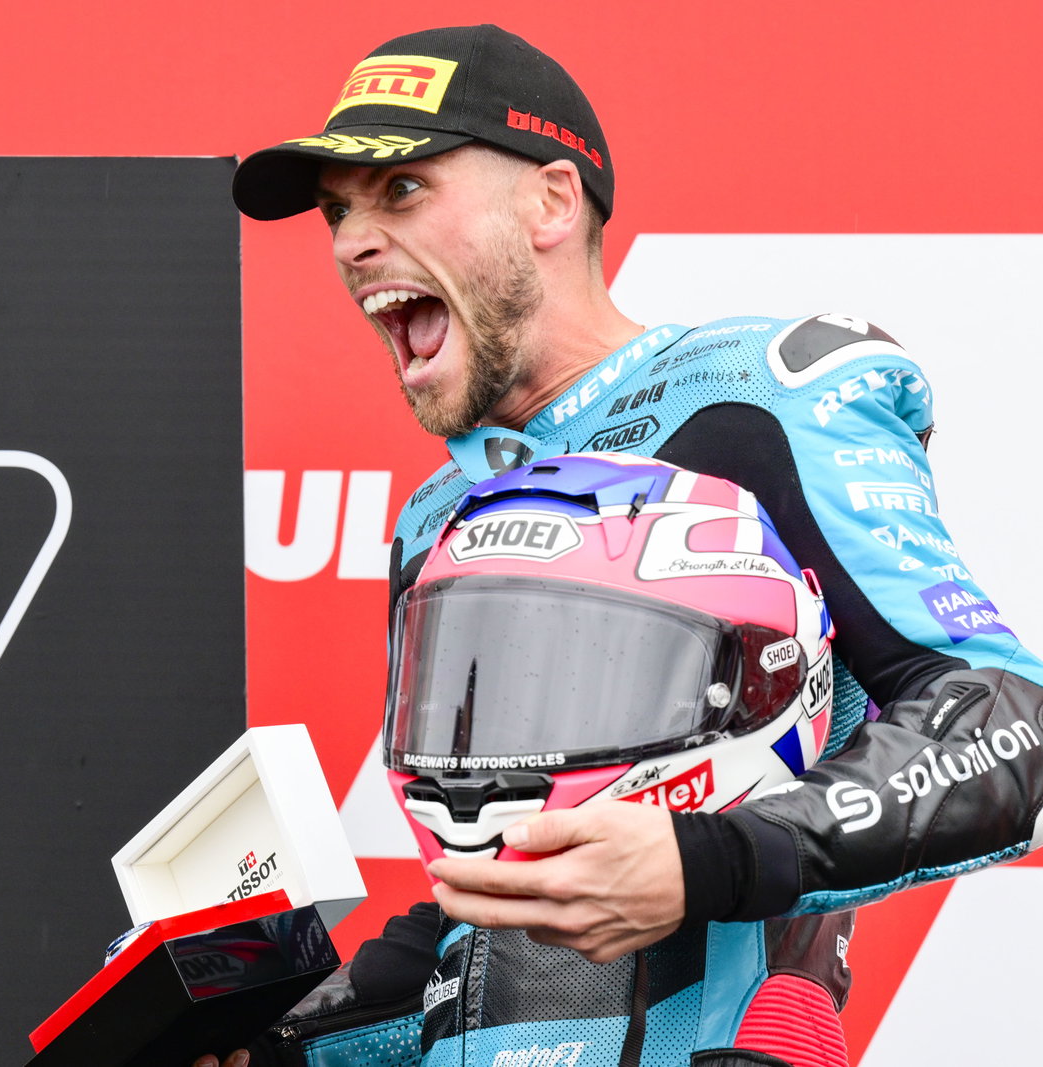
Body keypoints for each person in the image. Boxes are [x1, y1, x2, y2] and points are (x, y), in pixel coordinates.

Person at [194, 21, 1043, 1067]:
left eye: (400, 192)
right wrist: (266, 1041)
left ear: (552, 200)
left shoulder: (758, 400)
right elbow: (486, 916)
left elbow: (1006, 724)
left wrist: (702, 859)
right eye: (338, 213)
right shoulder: (436, 514)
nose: (350, 243)